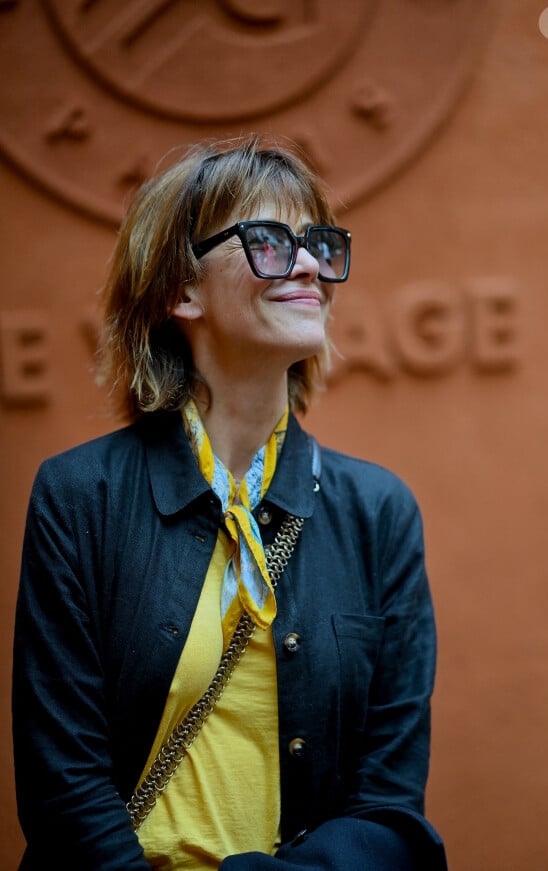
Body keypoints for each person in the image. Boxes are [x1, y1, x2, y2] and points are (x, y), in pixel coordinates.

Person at [12, 134, 448, 870]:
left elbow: (389, 803)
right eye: (270, 241)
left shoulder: (380, 510)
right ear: (181, 290)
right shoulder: (79, 496)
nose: (309, 264)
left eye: (315, 243)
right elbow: (63, 785)